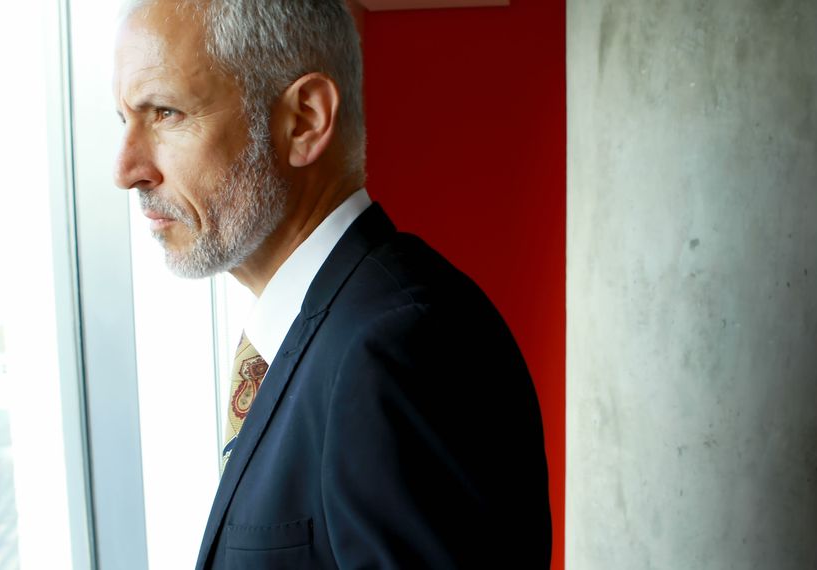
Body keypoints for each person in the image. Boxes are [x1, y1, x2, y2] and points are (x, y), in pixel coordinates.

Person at [111, 1, 552, 568]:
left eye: (166, 113)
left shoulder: (396, 349)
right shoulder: (339, 329)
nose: (126, 169)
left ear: (305, 120)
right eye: (123, 119)